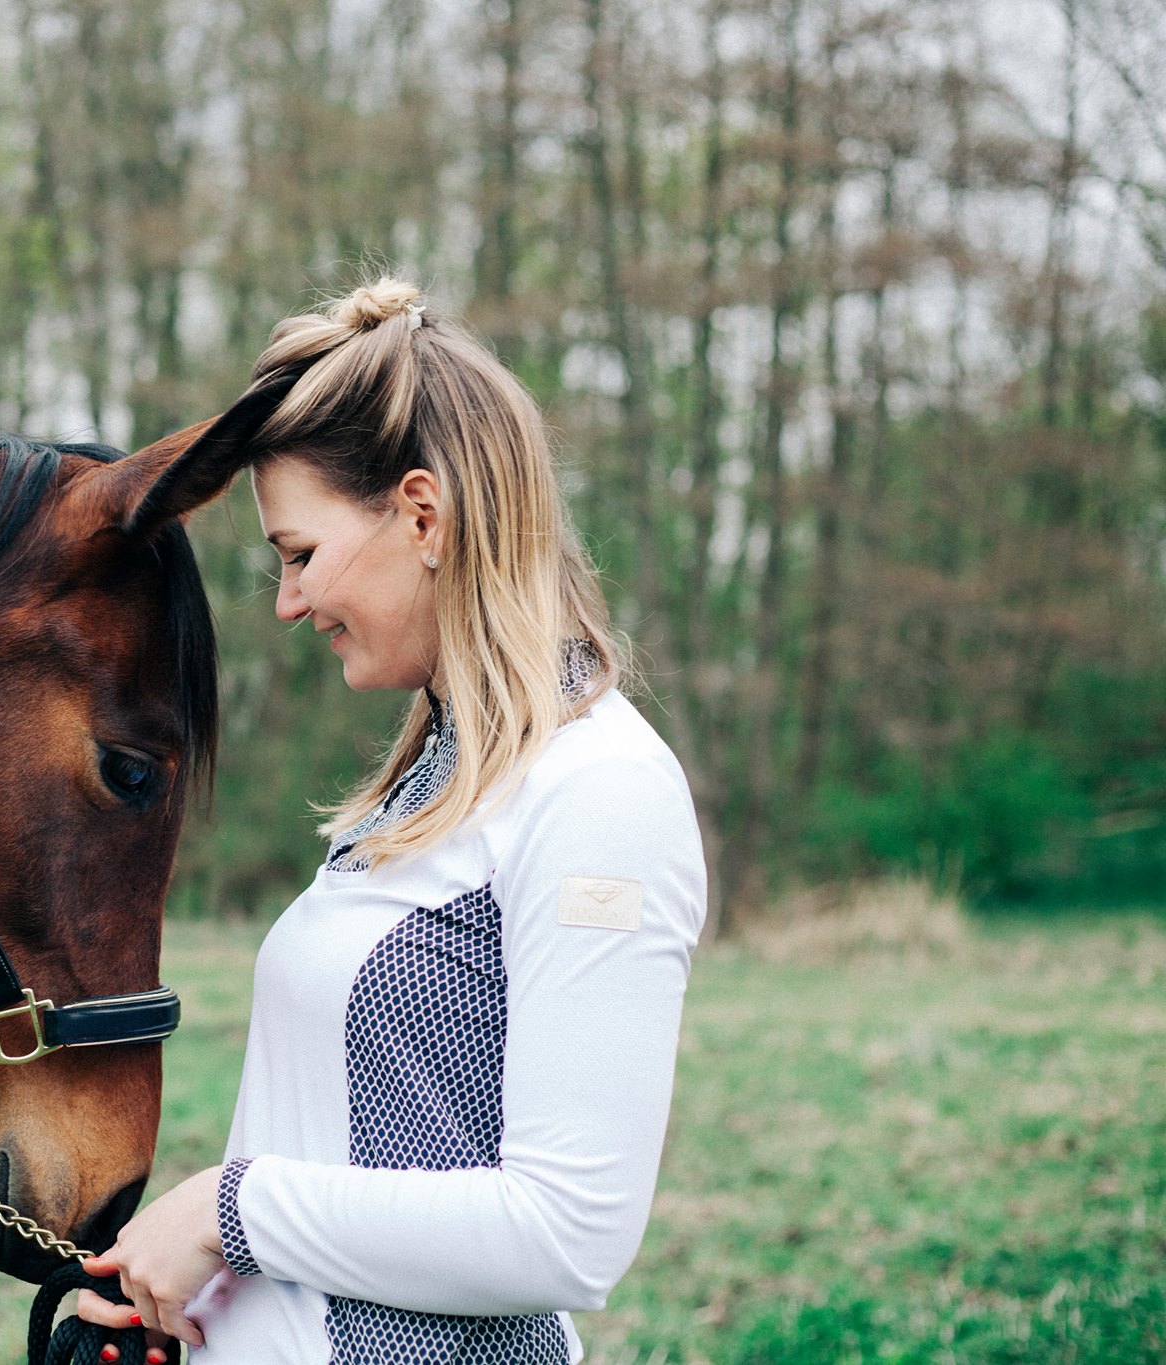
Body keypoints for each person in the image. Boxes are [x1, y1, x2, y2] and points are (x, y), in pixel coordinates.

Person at [75, 278, 709, 1364]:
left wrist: (229, 1211)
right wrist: (195, 1298)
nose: (288, 602)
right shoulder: (423, 785)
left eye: (300, 554)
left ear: (422, 515)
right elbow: (345, 1162)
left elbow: (567, 1232)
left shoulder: (601, 791)